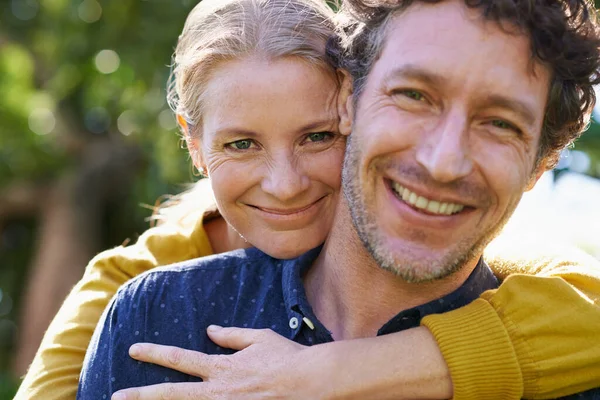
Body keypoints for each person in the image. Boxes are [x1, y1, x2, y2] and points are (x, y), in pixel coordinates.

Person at [70, 0, 600, 399]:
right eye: (414, 95)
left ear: (542, 162)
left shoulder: (574, 375)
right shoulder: (157, 317)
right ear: (348, 99)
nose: (443, 162)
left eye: (500, 124)